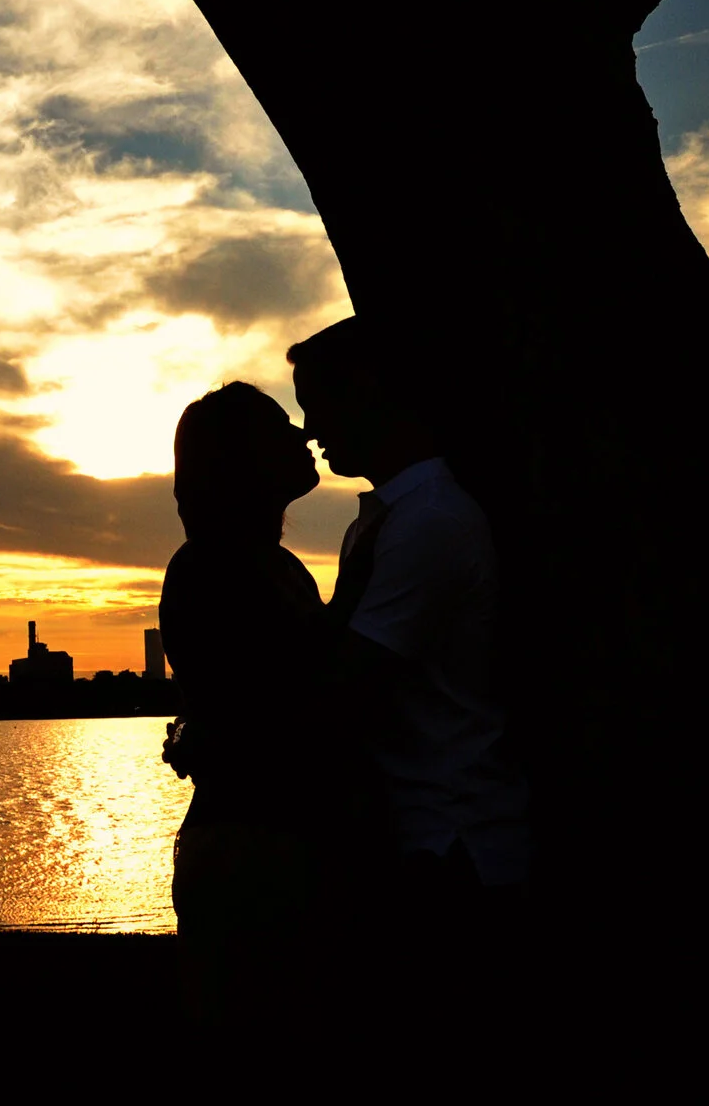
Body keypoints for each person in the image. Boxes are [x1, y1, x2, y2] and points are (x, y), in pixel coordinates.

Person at [288, 316, 529, 970]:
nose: (311, 429)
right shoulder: (391, 520)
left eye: (319, 406)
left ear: (368, 393)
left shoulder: (430, 521)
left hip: (454, 846)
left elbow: (350, 687)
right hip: (427, 840)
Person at [158, 381, 372, 1025]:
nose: (303, 435)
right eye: (282, 428)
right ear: (242, 458)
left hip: (269, 841)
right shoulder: (209, 568)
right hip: (249, 853)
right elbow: (288, 695)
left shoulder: (274, 567)